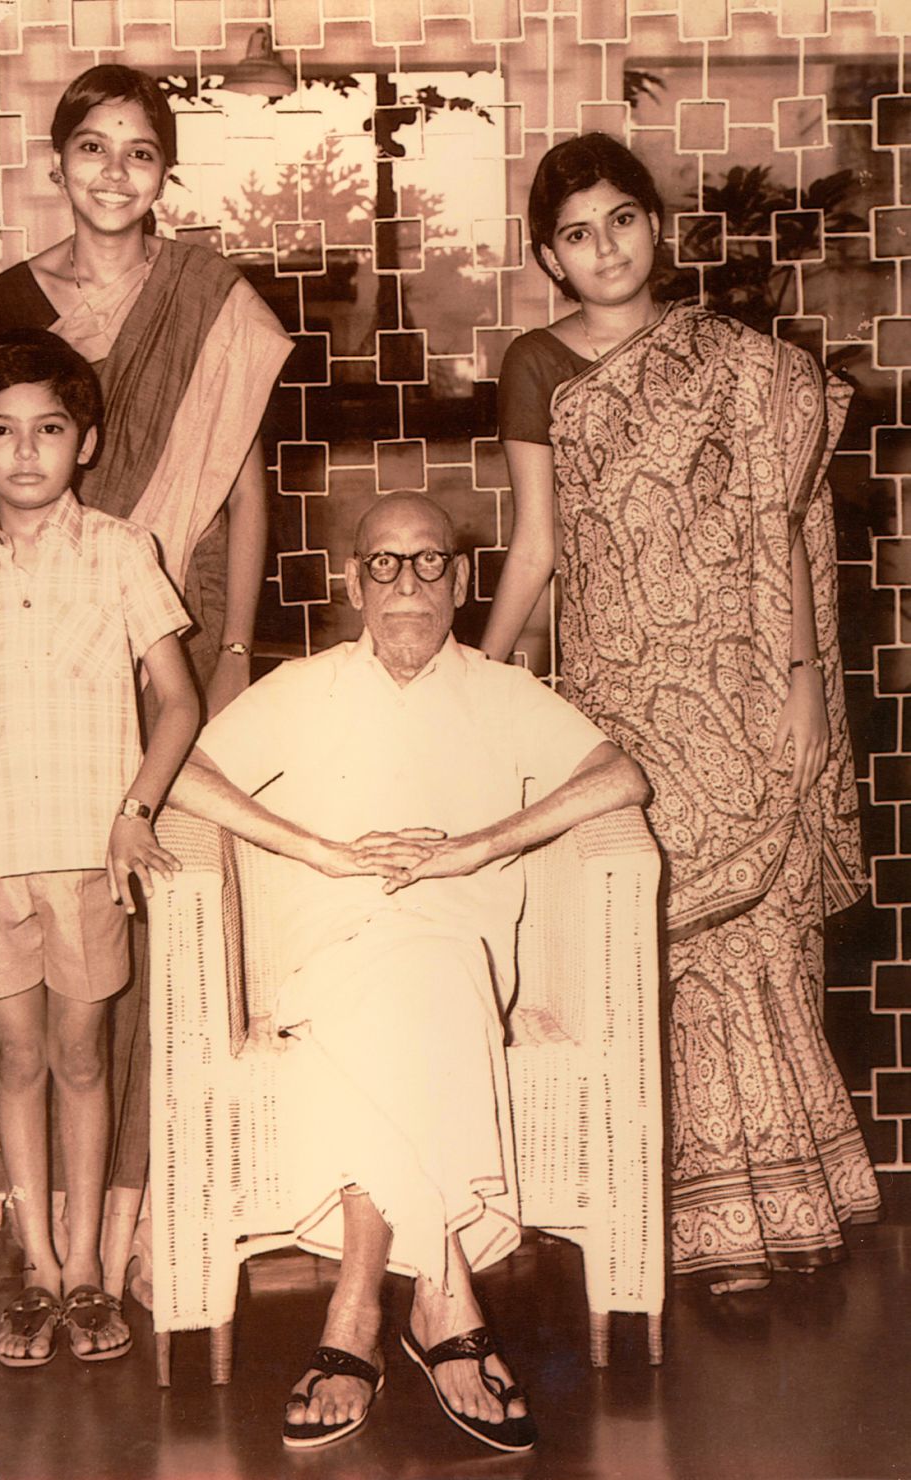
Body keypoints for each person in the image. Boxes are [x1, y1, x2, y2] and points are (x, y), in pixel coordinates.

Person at [168, 491, 649, 1450]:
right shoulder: (304, 687)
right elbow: (180, 770)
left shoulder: (502, 690)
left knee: (421, 977)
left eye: (430, 562)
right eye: (384, 564)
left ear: (461, 583)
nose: (408, 584)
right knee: (396, 989)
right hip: (333, 946)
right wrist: (319, 850)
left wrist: (477, 847)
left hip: (459, 951)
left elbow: (620, 778)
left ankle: (354, 1315)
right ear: (353, 583)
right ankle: (443, 1301)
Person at [484, 132, 881, 1293]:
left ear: (657, 226)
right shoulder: (536, 365)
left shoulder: (741, 365)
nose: (601, 247)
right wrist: (478, 675)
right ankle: (667, 1211)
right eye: (573, 232)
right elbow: (539, 546)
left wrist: (805, 683)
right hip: (619, 695)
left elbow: (787, 537)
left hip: (748, 679)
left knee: (764, 937)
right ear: (548, 257)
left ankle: (784, 1200)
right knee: (652, 937)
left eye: (620, 218)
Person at [0, 63, 292, 1284]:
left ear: (168, 171)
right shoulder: (11, 297)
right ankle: (52, 1231)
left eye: (141, 152)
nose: (115, 173)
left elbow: (245, 482)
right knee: (67, 915)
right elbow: (1, 471)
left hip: (189, 614)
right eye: (92, 149)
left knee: (171, 892)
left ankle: (153, 1215)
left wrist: (231, 648)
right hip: (54, 634)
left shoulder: (212, 299)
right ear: (56, 164)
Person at [0, 328, 200, 1366]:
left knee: (80, 1057)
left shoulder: (122, 552)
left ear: (84, 440)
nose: (24, 451)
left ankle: (87, 1272)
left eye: (48, 429)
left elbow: (178, 700)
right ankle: (31, 1265)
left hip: (86, 862)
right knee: (15, 1056)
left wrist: (134, 811)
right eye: (0, 431)